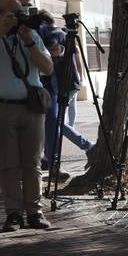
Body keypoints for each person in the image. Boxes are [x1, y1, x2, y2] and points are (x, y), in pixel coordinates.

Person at [0, 0, 55, 231]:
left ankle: (35, 212)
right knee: (8, 164)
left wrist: (30, 42)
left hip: (32, 108)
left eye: (21, 11)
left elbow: (47, 68)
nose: (19, 16)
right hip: (0, 107)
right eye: (13, 12)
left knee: (33, 163)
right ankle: (13, 213)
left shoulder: (30, 35)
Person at [36, 11, 93, 172]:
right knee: (56, 121)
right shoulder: (64, 33)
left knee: (56, 122)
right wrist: (80, 78)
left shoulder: (53, 35)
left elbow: (59, 55)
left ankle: (88, 146)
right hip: (69, 82)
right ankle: (49, 156)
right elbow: (77, 57)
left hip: (60, 84)